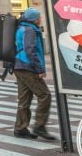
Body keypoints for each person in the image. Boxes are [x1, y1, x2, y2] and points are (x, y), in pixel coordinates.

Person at [12, 7, 56, 140]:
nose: (41, 19)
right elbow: (30, 51)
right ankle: (39, 126)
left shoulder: (21, 28)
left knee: (24, 99)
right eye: (39, 17)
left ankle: (20, 128)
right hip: (27, 67)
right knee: (45, 95)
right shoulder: (30, 30)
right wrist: (40, 69)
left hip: (19, 65)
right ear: (35, 19)